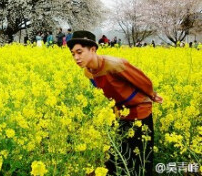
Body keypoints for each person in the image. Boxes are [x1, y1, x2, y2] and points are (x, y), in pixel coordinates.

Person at [68, 31, 163, 176]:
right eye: (73, 54)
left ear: (92, 49)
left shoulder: (115, 64)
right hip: (119, 112)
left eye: (79, 52)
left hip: (139, 110)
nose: (76, 58)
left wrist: (153, 95)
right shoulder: (88, 72)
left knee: (140, 159)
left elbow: (143, 81)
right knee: (115, 155)